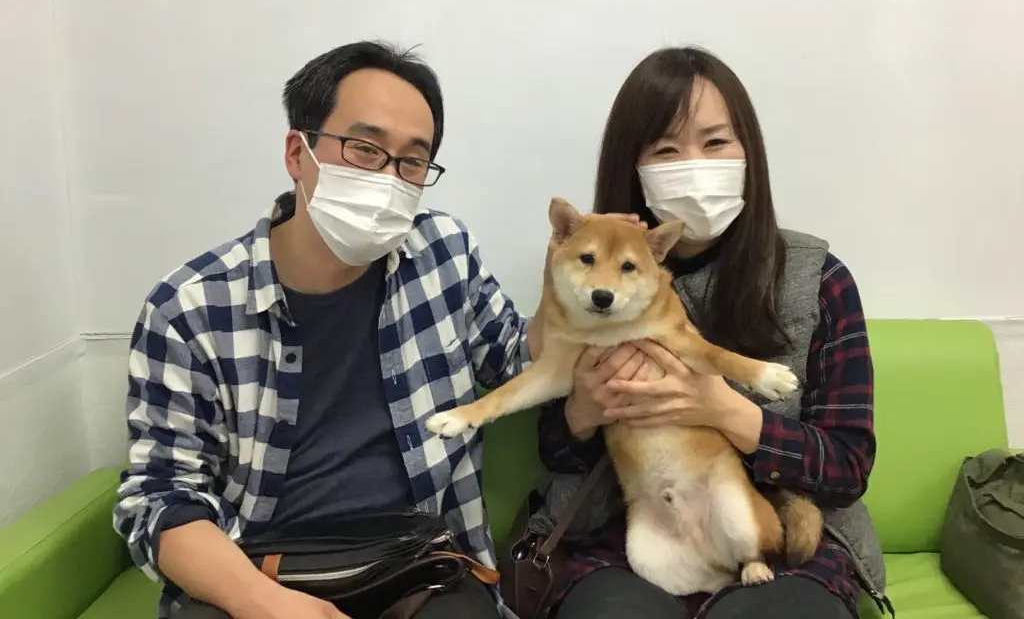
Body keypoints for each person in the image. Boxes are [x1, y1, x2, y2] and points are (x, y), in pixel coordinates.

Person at [114, 41, 542, 619]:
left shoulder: (443, 252)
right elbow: (161, 497)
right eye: (365, 149)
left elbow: (515, 358)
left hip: (414, 563)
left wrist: (571, 284)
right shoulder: (188, 308)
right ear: (298, 153)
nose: (390, 178)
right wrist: (266, 604)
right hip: (261, 569)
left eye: (412, 162)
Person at [535, 47, 887, 619]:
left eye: (716, 142)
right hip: (624, 534)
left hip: (781, 549)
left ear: (749, 151)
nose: (693, 165)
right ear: (632, 165)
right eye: (665, 149)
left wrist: (725, 411)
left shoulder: (818, 279)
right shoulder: (586, 278)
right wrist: (582, 413)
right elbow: (553, 449)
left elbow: (846, 468)